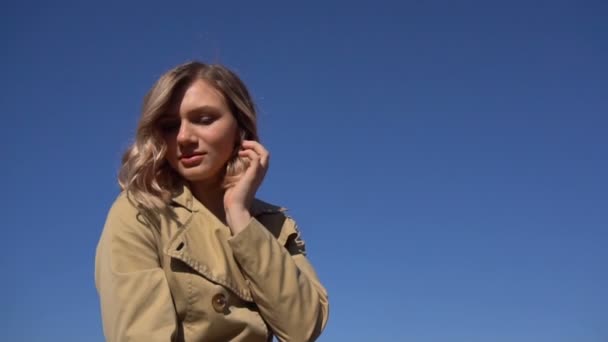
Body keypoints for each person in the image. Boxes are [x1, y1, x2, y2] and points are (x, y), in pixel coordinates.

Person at [94, 61, 329, 342]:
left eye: (204, 119)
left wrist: (238, 213)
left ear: (240, 128)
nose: (183, 137)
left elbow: (302, 329)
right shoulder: (141, 211)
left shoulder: (275, 224)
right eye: (169, 126)